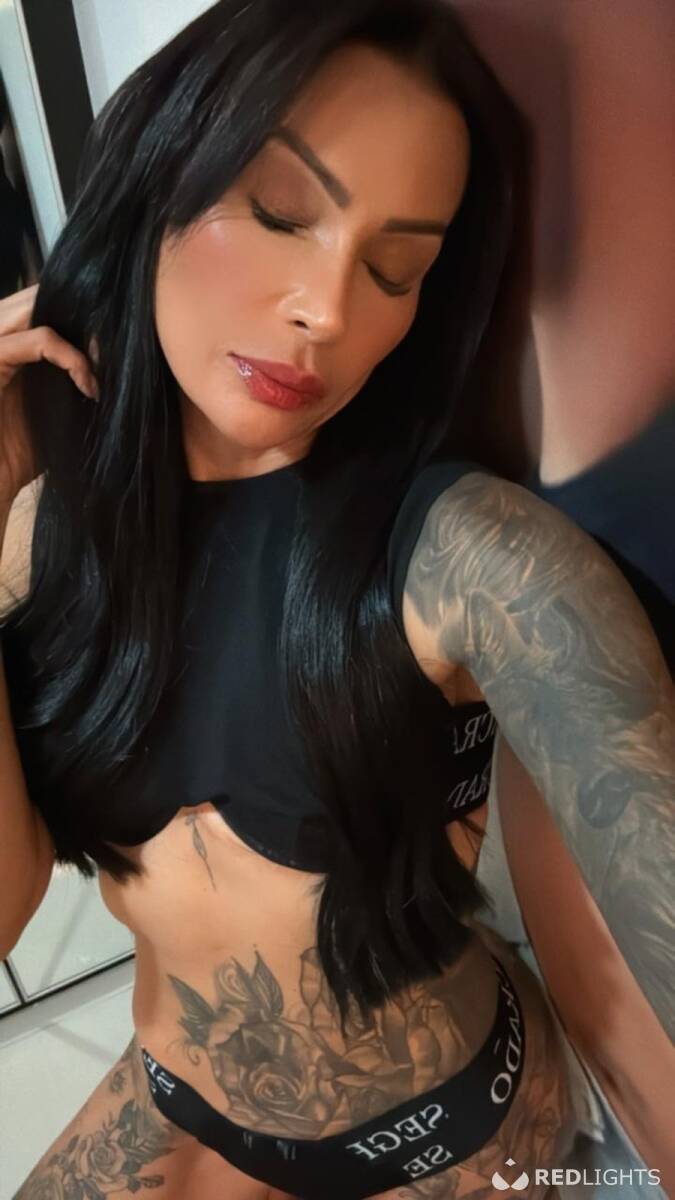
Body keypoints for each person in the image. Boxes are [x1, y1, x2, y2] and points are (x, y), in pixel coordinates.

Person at [0, 2, 672, 1198]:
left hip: (440, 1131)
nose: (329, 309)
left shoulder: (471, 556)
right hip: (176, 1094)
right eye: (279, 211)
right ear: (161, 174)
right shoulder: (44, 533)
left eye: (395, 269)